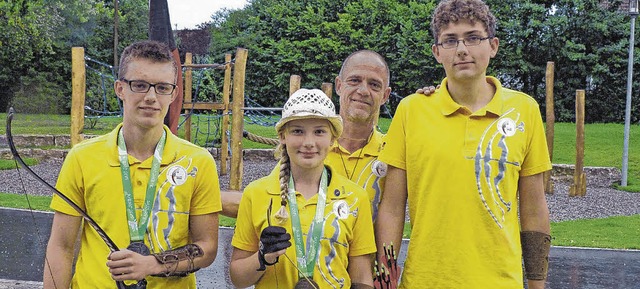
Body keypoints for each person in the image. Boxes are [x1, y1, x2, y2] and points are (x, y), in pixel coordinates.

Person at [374, 0, 552, 288]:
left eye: (473, 37)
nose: (461, 49)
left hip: (501, 282)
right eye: (450, 40)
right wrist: (385, 281)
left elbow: (534, 209)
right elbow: (392, 208)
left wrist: (537, 284)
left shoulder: (525, 111)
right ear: (436, 52)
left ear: (492, 46)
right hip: (425, 281)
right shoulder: (411, 111)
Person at [43, 40, 221, 288]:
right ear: (120, 89)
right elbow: (61, 246)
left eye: (161, 87)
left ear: (174, 93)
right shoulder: (82, 157)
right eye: (139, 85)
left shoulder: (197, 161)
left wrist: (153, 265)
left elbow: (207, 247)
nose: (151, 97)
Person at [230, 88, 376, 289]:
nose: (309, 143)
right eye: (298, 131)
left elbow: (362, 278)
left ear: (333, 139)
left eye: (319, 132)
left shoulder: (355, 197)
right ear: (283, 136)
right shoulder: (256, 193)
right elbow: (238, 278)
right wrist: (262, 257)